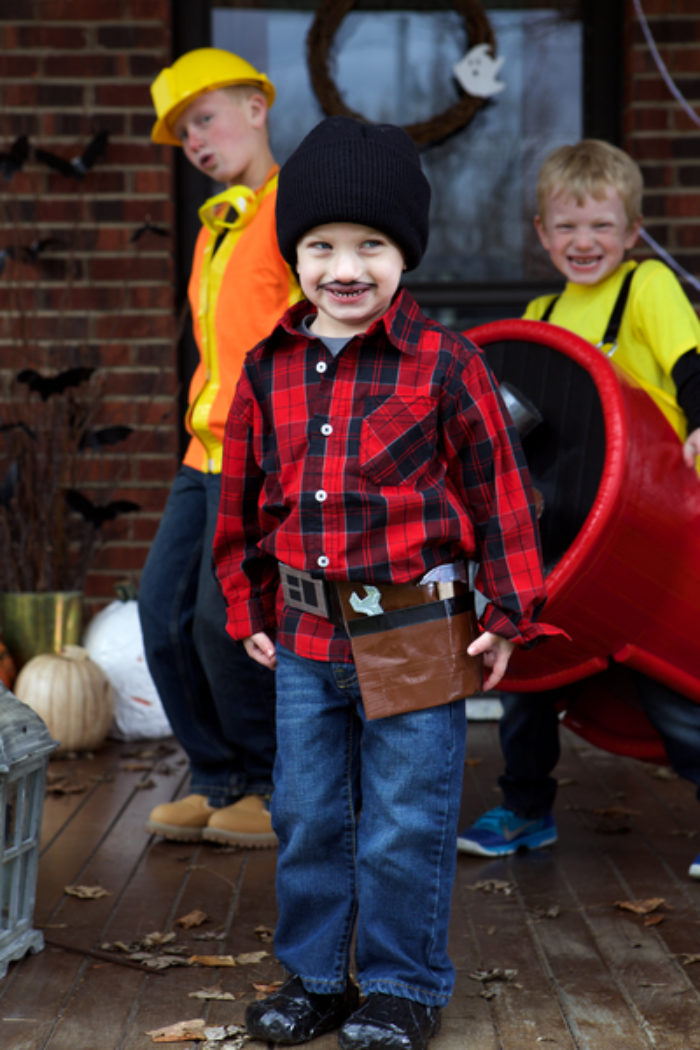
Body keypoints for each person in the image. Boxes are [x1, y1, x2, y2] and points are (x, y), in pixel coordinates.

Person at [213, 116, 560, 1050]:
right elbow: (241, 505)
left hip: (415, 629)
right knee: (308, 814)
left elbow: (502, 498)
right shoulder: (266, 371)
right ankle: (317, 977)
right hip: (303, 638)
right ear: (295, 255)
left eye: (372, 245)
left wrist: (509, 611)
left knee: (405, 820)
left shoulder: (447, 366)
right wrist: (247, 604)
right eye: (321, 245)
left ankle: (403, 984)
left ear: (406, 253)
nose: (345, 267)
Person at [457, 139, 700, 879]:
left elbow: (692, 362)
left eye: (600, 226)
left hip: (651, 532)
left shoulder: (647, 286)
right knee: (527, 672)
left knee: (671, 686)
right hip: (563, 530)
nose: (583, 242)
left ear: (630, 233)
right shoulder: (541, 313)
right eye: (567, 227)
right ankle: (526, 811)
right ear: (541, 233)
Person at [139, 48, 301, 847]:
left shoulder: (292, 212)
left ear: (257, 107)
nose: (196, 141)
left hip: (259, 458)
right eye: (184, 133)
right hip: (199, 455)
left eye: (206, 119)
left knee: (221, 620)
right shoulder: (219, 228)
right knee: (160, 615)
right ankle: (216, 777)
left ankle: (269, 787)